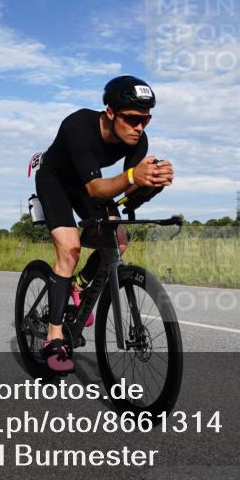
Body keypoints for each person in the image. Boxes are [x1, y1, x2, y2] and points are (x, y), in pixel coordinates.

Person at [34, 75, 174, 372]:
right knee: (70, 248)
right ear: (110, 112)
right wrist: (134, 177)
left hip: (93, 183)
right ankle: (54, 336)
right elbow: (98, 189)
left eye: (146, 120)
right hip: (56, 181)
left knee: (118, 240)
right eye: (133, 119)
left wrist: (153, 183)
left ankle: (79, 284)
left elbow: (128, 193)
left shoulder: (138, 139)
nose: (139, 128)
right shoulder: (79, 127)